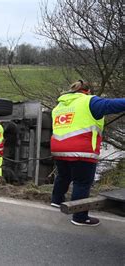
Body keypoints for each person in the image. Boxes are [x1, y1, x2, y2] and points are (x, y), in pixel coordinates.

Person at [50, 80, 125, 226]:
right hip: (81, 150)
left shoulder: (60, 105)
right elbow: (112, 105)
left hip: (59, 148)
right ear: (88, 91)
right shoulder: (89, 101)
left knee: (63, 175)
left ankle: (56, 201)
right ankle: (80, 217)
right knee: (82, 183)